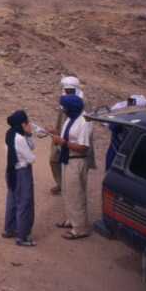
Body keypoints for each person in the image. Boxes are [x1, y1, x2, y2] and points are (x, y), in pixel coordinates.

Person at [51, 92, 94, 239]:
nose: (63, 110)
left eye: (65, 107)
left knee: (76, 195)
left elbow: (84, 147)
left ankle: (80, 229)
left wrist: (64, 143)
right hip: (67, 158)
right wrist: (55, 133)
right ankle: (72, 220)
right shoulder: (71, 119)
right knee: (68, 193)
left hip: (76, 160)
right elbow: (68, 136)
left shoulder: (84, 122)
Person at [3, 110, 37, 247]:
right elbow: (31, 158)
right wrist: (29, 135)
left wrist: (28, 134)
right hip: (22, 172)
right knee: (24, 203)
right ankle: (22, 236)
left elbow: (31, 146)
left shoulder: (10, 133)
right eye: (27, 122)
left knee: (12, 200)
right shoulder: (20, 139)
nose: (29, 124)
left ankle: (9, 229)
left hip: (11, 170)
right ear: (22, 123)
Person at [49, 76, 84, 195]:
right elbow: (61, 120)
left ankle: (69, 188)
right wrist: (55, 131)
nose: (67, 92)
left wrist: (64, 140)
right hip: (60, 136)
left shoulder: (80, 104)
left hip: (71, 141)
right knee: (53, 160)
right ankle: (61, 184)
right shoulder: (65, 100)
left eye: (70, 90)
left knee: (69, 164)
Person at [104, 94, 146, 170]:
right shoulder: (122, 119)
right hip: (115, 153)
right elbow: (111, 125)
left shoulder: (141, 125)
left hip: (125, 158)